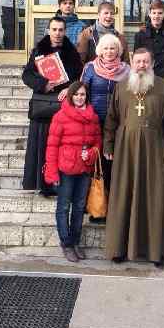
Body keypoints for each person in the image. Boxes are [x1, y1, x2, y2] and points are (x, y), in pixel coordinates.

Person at [103, 48, 164, 268]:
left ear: (152, 63)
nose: (141, 65)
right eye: (138, 61)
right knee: (123, 195)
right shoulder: (121, 87)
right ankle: (119, 249)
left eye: (146, 61)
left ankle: (156, 252)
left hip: (154, 150)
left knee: (154, 197)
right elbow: (111, 119)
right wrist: (108, 144)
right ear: (132, 62)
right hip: (125, 150)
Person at [22, 16, 83, 197]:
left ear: (65, 31)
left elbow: (79, 76)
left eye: (60, 30)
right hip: (42, 107)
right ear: (48, 30)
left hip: (62, 107)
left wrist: (69, 89)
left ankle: (61, 184)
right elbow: (27, 75)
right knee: (42, 146)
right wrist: (43, 84)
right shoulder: (38, 50)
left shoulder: (72, 52)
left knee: (63, 147)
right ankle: (43, 184)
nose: (57, 33)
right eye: (54, 29)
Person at [43, 81, 102, 263]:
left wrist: (91, 153)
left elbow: (97, 142)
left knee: (79, 206)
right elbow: (52, 146)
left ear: (86, 96)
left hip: (84, 168)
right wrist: (52, 172)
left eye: (82, 94)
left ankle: (75, 242)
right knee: (63, 207)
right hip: (66, 168)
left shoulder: (93, 117)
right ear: (70, 96)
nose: (79, 97)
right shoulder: (60, 116)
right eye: (76, 94)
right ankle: (66, 243)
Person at [81, 33, 130, 223]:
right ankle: (93, 206)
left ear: (119, 51)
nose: (109, 51)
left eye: (113, 48)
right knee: (94, 164)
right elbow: (82, 94)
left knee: (111, 165)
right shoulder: (90, 68)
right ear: (100, 50)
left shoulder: (127, 70)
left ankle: (110, 207)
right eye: (106, 48)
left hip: (117, 126)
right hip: (94, 123)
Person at [133, 0, 164, 86]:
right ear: (149, 14)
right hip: (145, 78)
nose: (156, 16)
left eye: (160, 13)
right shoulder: (140, 35)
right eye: (154, 13)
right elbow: (137, 58)